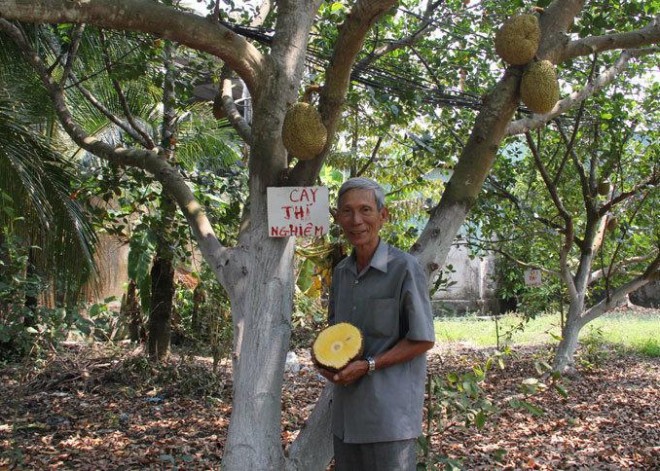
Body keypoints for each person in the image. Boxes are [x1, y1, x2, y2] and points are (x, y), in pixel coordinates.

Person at [316, 177, 436, 471]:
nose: (356, 220)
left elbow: (422, 339)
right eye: (347, 211)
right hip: (346, 418)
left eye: (365, 210)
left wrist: (368, 365)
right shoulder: (342, 272)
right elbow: (334, 333)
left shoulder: (405, 268)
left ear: (383, 216)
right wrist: (324, 363)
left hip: (389, 419)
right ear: (337, 218)